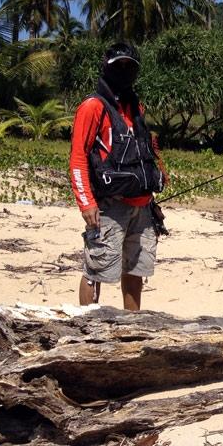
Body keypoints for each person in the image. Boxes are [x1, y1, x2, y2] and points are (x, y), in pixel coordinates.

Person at [69, 42, 166, 310]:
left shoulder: (137, 108)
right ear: (106, 67)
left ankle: (132, 326)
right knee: (96, 269)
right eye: (118, 65)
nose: (124, 71)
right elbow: (78, 157)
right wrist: (86, 202)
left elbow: (146, 150)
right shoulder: (92, 107)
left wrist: (156, 183)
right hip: (109, 205)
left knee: (136, 268)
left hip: (143, 206)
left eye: (130, 66)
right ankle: (86, 324)